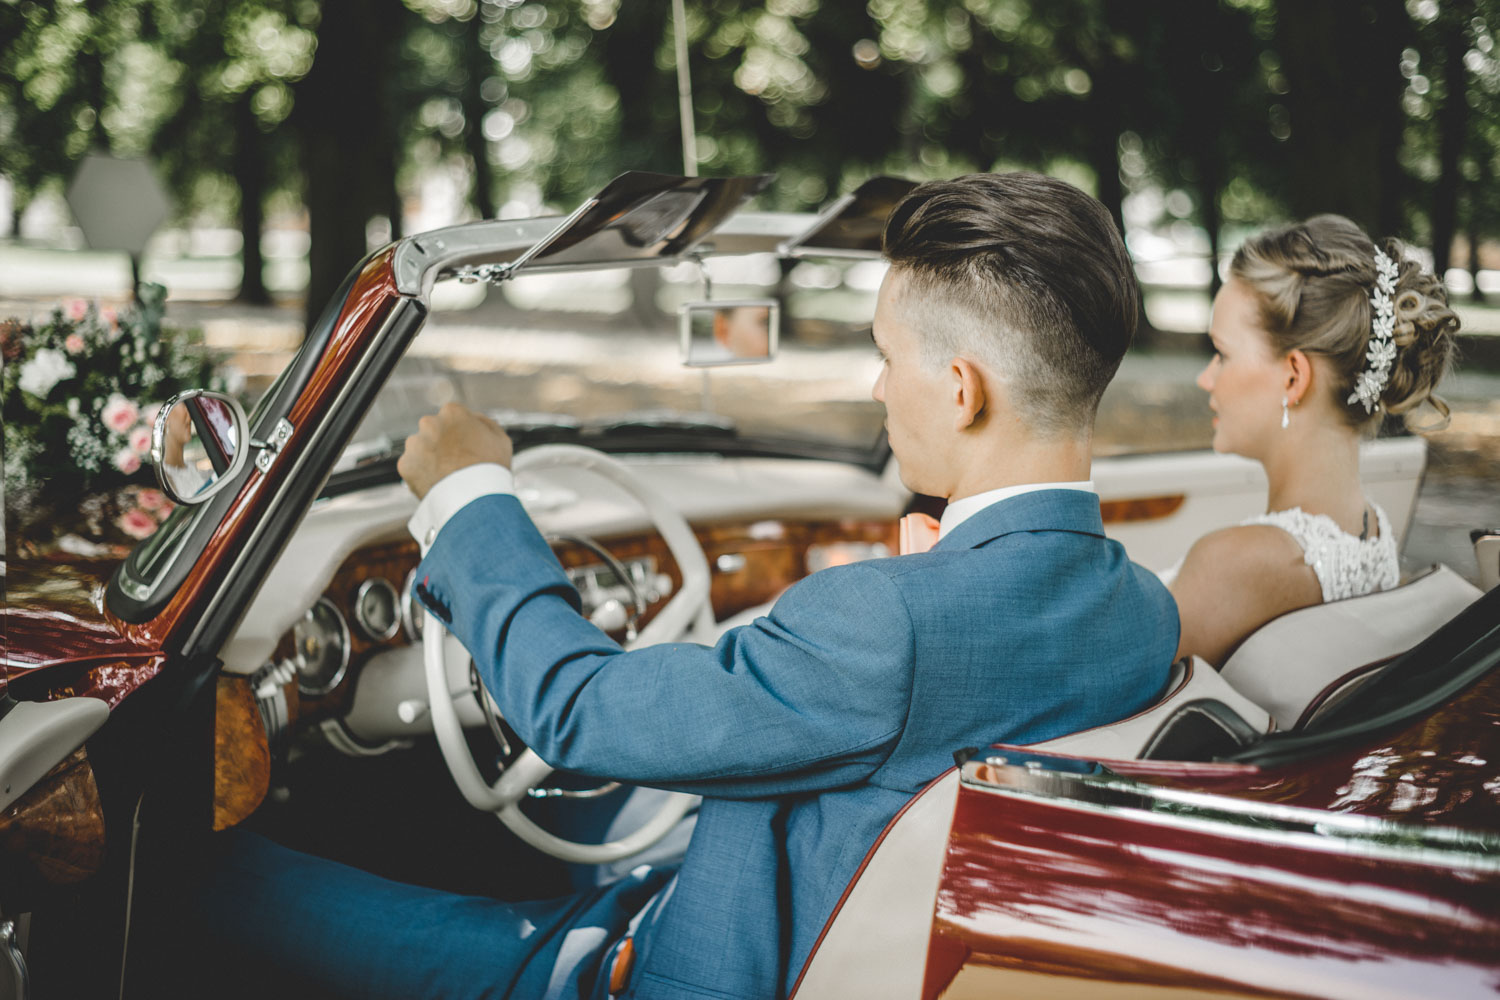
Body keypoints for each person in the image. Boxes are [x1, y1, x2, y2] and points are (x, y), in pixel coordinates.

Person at [174, 172, 1178, 1000]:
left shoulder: (888, 624)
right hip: (795, 925)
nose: (878, 389)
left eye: (885, 358)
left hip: (661, 967)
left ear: (962, 390)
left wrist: (472, 493)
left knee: (204, 878)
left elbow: (576, 710)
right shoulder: (1139, 607)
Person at [1167, 215, 1458, 668]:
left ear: (1294, 376)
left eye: (1222, 354)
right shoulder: (1374, 531)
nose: (1207, 378)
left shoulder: (1232, 566)